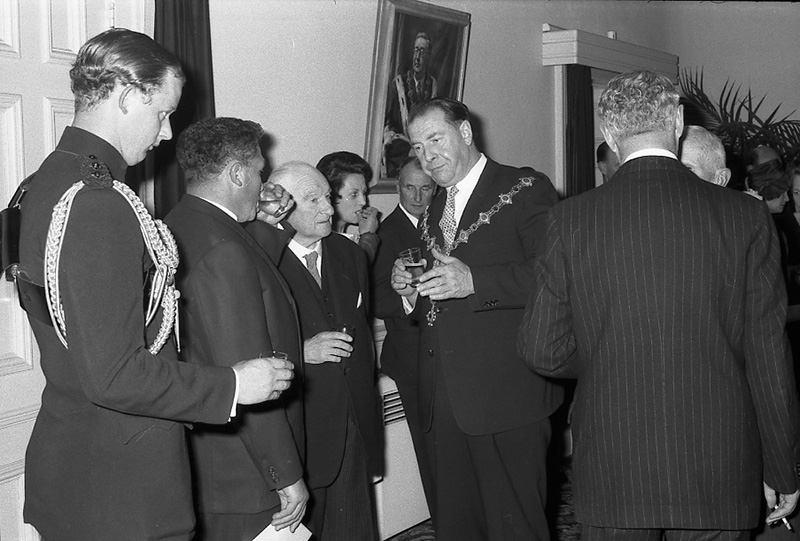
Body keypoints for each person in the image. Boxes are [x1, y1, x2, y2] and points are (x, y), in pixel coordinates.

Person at [15, 28, 294, 540]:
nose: (165, 134)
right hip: (123, 486)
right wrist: (234, 384)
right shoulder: (99, 203)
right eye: (163, 113)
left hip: (80, 461)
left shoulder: (43, 182)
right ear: (127, 96)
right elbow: (115, 374)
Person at [520, 69, 800, 538]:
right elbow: (768, 355)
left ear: (610, 135)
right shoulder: (746, 215)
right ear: (678, 123)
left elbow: (540, 349)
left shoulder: (570, 219)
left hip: (614, 465)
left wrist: (605, 353)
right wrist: (782, 465)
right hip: (718, 463)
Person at [390, 97, 563, 540]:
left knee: (515, 528)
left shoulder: (525, 188)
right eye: (418, 147)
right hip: (444, 398)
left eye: (435, 140)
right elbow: (439, 295)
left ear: (465, 132)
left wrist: (476, 282)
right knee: (458, 527)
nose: (427, 156)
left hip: (507, 396)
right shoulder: (433, 208)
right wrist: (411, 294)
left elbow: (556, 275)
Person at [164, 117, 308, 540]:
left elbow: (246, 276)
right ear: (237, 174)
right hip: (245, 473)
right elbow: (250, 372)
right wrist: (285, 474)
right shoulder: (223, 249)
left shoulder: (182, 222)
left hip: (214, 457)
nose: (263, 182)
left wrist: (269, 224)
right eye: (260, 171)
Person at [248, 162, 383, 540]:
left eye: (328, 196)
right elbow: (242, 347)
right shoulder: (259, 258)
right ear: (282, 206)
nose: (328, 208)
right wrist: (300, 351)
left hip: (353, 426)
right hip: (298, 431)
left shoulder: (350, 253)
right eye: (313, 200)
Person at [372, 156, 436, 512]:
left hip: (445, 354)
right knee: (430, 453)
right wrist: (408, 297)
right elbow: (378, 299)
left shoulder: (443, 223)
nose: (417, 197)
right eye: (410, 188)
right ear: (398, 187)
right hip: (411, 358)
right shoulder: (385, 234)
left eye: (425, 188)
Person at [384, 32, 438, 178]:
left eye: (422, 51)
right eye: (416, 50)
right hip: (399, 148)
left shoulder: (432, 85)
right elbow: (388, 125)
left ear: (429, 56)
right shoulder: (398, 84)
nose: (417, 57)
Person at [316, 151, 380, 263]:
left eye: (364, 193)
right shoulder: (319, 245)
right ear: (330, 197)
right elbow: (356, 270)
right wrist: (368, 236)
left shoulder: (350, 240)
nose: (363, 201)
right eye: (353, 194)